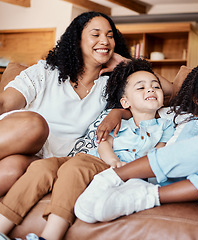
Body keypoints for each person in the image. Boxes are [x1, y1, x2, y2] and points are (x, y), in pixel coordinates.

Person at [74, 63, 198, 223]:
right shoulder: (178, 113)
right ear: (195, 96)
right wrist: (116, 111)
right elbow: (142, 110)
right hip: (165, 172)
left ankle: (147, 197)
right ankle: (112, 178)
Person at [0, 59, 174, 240]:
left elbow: (158, 155)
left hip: (107, 168)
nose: (151, 90)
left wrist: (123, 168)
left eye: (156, 87)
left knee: (74, 169)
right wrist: (113, 160)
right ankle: (2, 227)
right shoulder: (117, 119)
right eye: (141, 87)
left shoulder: (166, 125)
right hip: (97, 158)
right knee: (41, 168)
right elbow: (104, 143)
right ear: (125, 101)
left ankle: (50, 235)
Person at [0, 11, 133, 197]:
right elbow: (5, 103)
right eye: (96, 35)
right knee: (35, 124)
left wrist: (129, 64)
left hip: (47, 159)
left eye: (110, 36)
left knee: (11, 171)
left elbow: (166, 90)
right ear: (77, 40)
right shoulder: (46, 72)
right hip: (19, 138)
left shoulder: (112, 85)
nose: (105, 41)